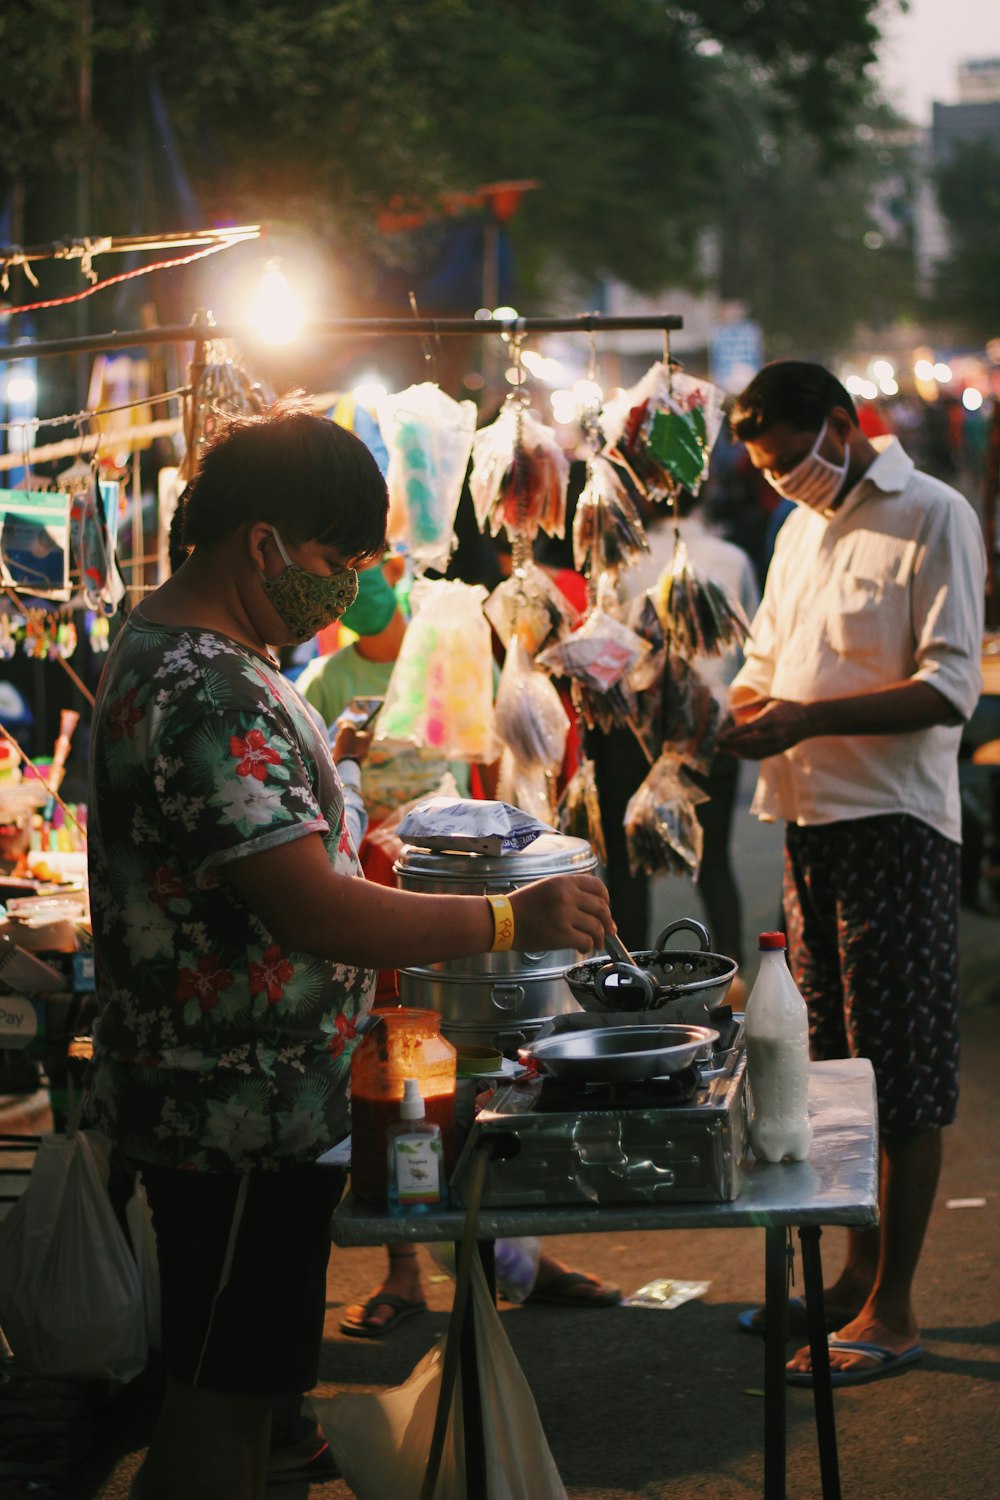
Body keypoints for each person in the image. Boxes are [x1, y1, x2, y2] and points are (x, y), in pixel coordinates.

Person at [84, 399, 612, 1500]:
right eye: (338, 560)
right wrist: (509, 918)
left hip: (249, 1102)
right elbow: (313, 912)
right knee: (217, 1414)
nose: (346, 585)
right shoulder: (205, 686)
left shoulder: (208, 655)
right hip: (231, 1110)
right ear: (263, 543)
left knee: (233, 1404)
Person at [717, 361, 985, 1385]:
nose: (782, 482)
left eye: (791, 460)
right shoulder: (795, 531)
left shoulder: (934, 513)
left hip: (897, 830)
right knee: (830, 1072)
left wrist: (811, 716)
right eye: (766, 469)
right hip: (806, 824)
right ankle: (852, 1282)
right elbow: (765, 661)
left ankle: (897, 1309)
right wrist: (729, 711)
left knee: (902, 1074)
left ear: (839, 425)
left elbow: (948, 687)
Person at [299, 563, 621, 1336]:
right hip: (371, 888)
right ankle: (405, 1267)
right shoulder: (323, 680)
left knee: (485, 1071)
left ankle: (516, 1256)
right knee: (396, 1075)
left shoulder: (440, 654)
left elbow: (473, 764)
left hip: (463, 889)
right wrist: (349, 765)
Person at [621, 487, 760, 975]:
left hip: (639, 729)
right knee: (714, 859)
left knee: (632, 866)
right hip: (713, 721)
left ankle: (627, 979)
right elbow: (749, 648)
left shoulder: (626, 560)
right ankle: (737, 974)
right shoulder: (733, 558)